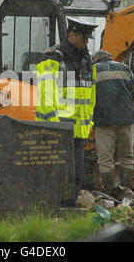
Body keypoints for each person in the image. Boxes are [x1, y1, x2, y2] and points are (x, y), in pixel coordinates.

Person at [36, 17, 97, 198]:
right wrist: (53, 124)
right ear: (71, 35)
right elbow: (45, 94)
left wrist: (90, 120)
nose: (86, 42)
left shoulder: (87, 59)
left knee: (75, 174)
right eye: (83, 38)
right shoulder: (53, 57)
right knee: (55, 173)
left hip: (79, 129)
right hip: (57, 128)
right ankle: (52, 207)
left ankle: (70, 205)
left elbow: (91, 93)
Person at [92, 49, 134, 195]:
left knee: (105, 159)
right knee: (127, 156)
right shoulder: (124, 68)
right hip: (126, 119)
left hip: (103, 121)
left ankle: (110, 194)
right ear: (110, 57)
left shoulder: (92, 70)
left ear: (94, 60)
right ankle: (126, 189)